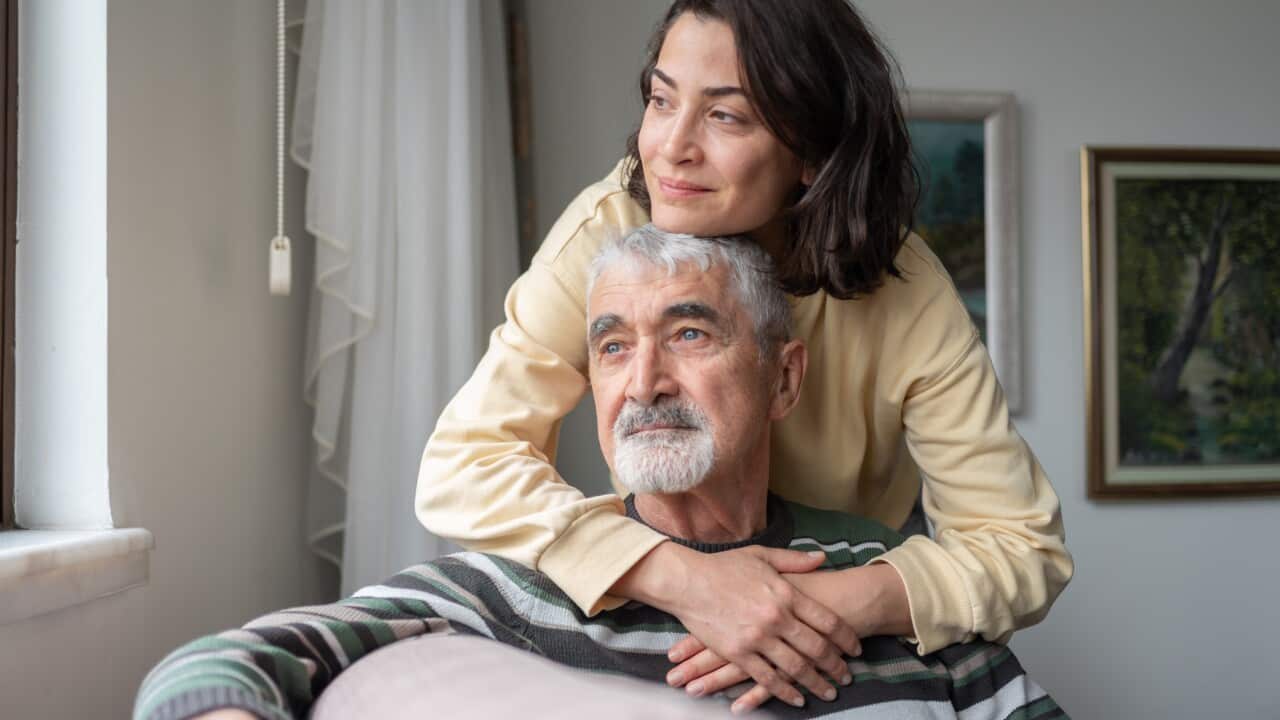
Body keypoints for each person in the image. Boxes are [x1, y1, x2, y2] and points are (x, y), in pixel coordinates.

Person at [416, 0, 1073, 711]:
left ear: (813, 152)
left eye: (725, 116)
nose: (670, 147)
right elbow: (464, 463)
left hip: (844, 621)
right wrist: (683, 579)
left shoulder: (907, 293)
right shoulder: (603, 231)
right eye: (662, 100)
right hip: (659, 583)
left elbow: (1021, 545)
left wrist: (824, 608)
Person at [135, 228, 1065, 720]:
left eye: (690, 333)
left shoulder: (903, 602)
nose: (644, 382)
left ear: (784, 379)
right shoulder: (509, 591)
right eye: (612, 347)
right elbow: (211, 668)